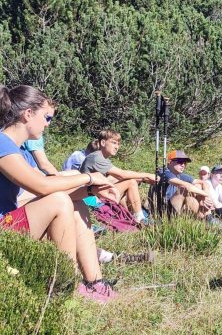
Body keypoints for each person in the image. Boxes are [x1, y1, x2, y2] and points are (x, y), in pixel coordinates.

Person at [0, 85, 118, 302]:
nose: (48, 124)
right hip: (4, 232)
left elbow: (42, 187)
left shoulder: (17, 150)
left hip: (9, 224)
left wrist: (90, 191)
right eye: (46, 117)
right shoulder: (2, 145)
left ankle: (95, 282)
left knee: (75, 201)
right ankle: (66, 286)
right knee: (59, 200)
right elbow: (42, 186)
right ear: (28, 114)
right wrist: (89, 178)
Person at [80, 129, 156, 223]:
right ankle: (140, 218)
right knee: (131, 182)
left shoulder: (101, 157)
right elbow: (122, 175)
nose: (117, 147)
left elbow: (114, 178)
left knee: (126, 180)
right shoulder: (96, 158)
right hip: (90, 199)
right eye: (114, 143)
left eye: (118, 144)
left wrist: (142, 179)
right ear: (103, 142)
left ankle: (129, 216)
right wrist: (147, 176)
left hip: (93, 194)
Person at [157, 149, 213, 218]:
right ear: (170, 162)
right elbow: (185, 186)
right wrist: (205, 194)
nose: (183, 165)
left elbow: (203, 183)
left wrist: (205, 197)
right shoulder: (163, 172)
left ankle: (206, 217)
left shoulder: (179, 175)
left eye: (185, 163)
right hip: (162, 211)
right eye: (180, 162)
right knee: (183, 189)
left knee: (197, 187)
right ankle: (205, 218)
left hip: (175, 208)